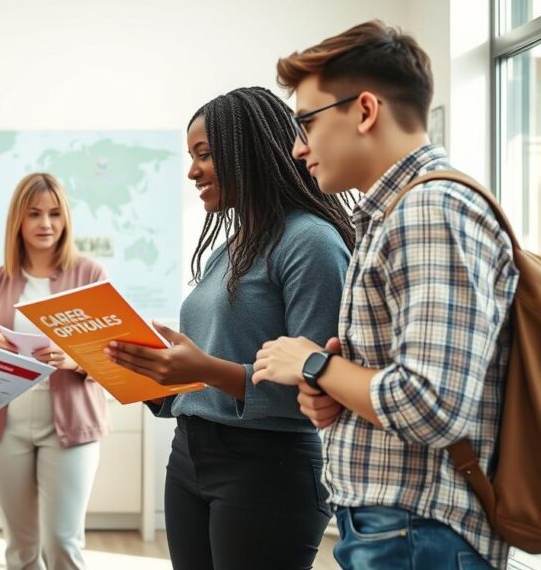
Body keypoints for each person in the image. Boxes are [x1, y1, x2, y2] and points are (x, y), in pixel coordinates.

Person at [254, 21, 519, 570]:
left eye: (306, 122)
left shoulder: (429, 211)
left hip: (417, 529)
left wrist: (311, 363)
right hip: (401, 527)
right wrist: (332, 383)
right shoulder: (395, 213)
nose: (299, 149)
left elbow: (430, 406)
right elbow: (403, 386)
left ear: (365, 110)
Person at [104, 87, 354, 570]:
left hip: (267, 466)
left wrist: (202, 368)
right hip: (191, 454)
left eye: (205, 154)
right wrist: (138, 368)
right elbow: (207, 371)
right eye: (191, 156)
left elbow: (317, 392)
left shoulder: (311, 243)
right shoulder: (235, 246)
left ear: (250, 151)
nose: (192, 171)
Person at [0, 172, 110, 570]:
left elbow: (112, 355)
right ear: (18, 219)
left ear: (65, 219)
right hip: (6, 424)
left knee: (62, 544)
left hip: (70, 423)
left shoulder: (90, 274)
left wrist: (74, 359)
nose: (45, 224)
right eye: (34, 214)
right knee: (20, 548)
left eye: (54, 214)